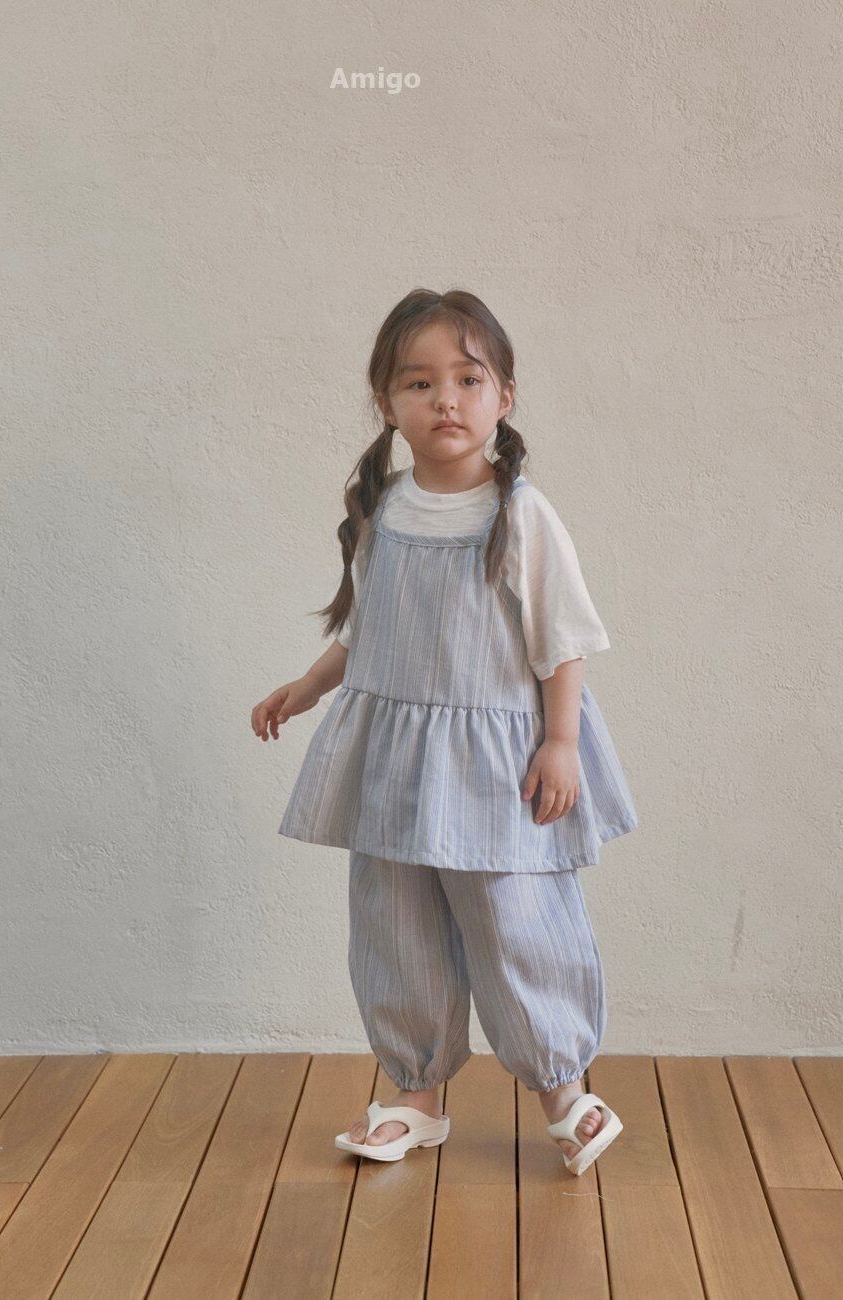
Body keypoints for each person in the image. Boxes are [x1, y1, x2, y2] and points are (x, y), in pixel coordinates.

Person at [251, 288, 637, 1176]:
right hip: (395, 762)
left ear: (505, 395)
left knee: (514, 918)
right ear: (387, 402)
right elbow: (369, 632)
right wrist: (307, 686)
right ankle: (414, 1094)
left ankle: (564, 1089)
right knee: (395, 921)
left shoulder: (521, 514)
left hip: (498, 764)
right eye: (419, 383)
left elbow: (562, 640)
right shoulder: (384, 510)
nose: (446, 401)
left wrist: (561, 742)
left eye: (468, 380)